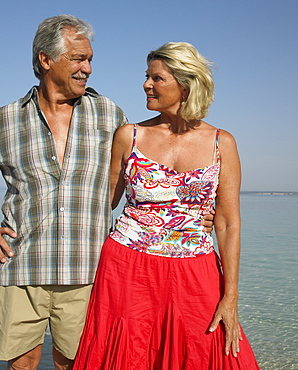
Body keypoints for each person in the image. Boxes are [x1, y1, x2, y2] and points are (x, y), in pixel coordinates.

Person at [0, 16, 214, 369]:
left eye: (89, 59)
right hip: (22, 266)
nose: (87, 68)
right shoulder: (3, 121)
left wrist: (189, 212)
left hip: (89, 269)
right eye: (77, 59)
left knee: (77, 361)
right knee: (21, 361)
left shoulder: (109, 115)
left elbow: (144, 177)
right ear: (45, 60)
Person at [74, 42, 260, 369]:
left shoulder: (222, 143)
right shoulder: (128, 136)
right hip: (126, 266)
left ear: (185, 84)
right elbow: (101, 203)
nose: (146, 84)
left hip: (195, 268)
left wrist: (231, 296)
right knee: (126, 355)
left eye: (157, 78)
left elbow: (229, 224)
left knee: (210, 350)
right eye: (147, 76)